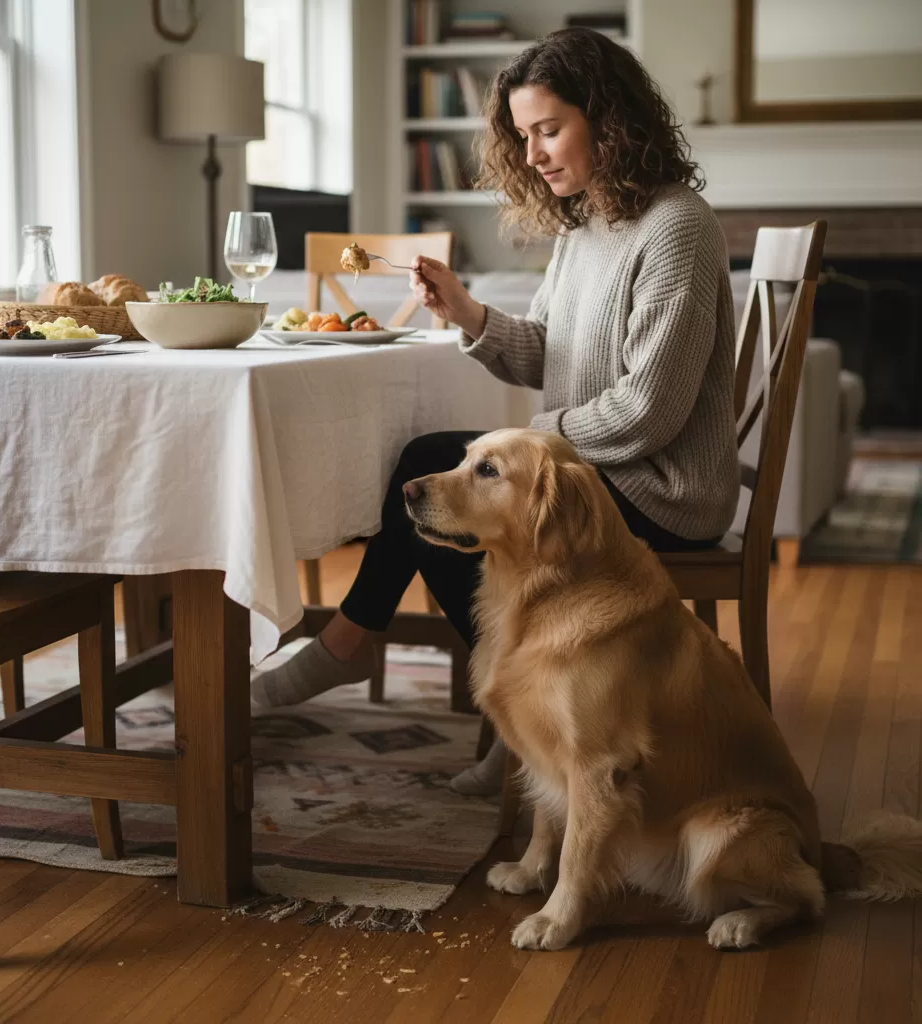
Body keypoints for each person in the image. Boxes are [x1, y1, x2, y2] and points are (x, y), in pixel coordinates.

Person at [253, 27, 740, 796]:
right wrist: (468, 313)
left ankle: (360, 649)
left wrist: (533, 442)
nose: (536, 153)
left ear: (609, 118)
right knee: (433, 481)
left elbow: (650, 410)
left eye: (550, 129)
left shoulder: (677, 226)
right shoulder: (585, 227)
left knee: (435, 477)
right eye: (524, 135)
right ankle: (516, 722)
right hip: (596, 470)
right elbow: (551, 352)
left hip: (666, 491)